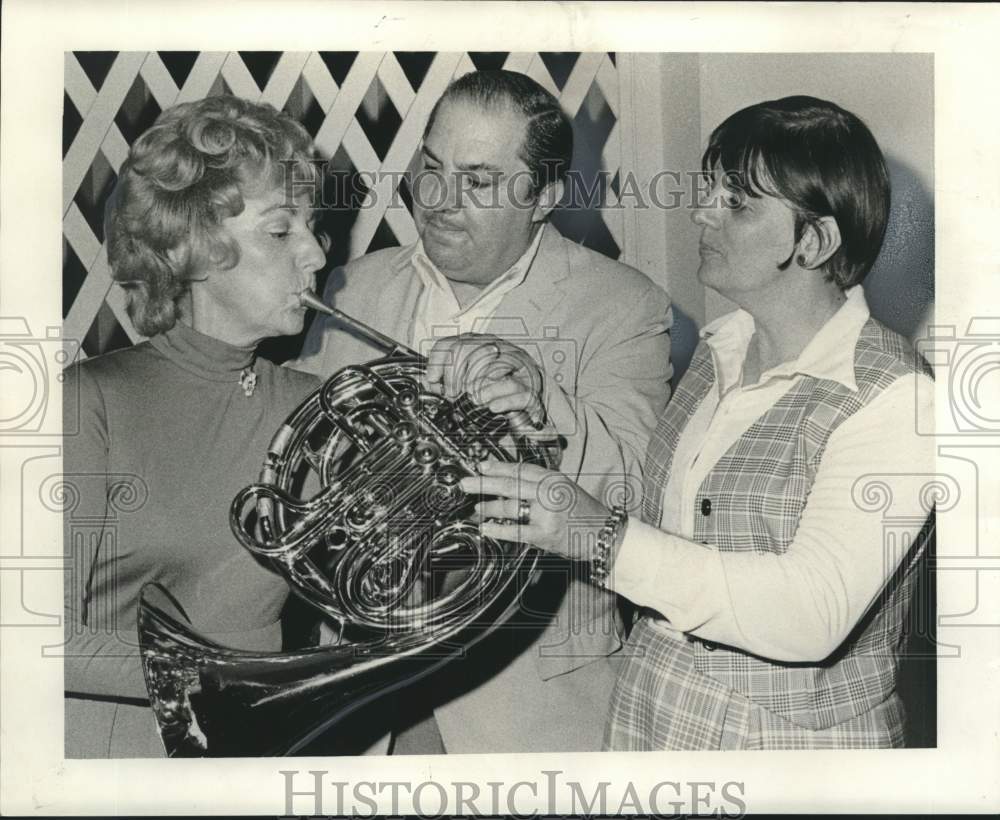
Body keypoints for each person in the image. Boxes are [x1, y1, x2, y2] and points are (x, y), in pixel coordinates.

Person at [468, 95, 935, 750]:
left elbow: (812, 614)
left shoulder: (897, 398)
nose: (700, 211)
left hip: (791, 748)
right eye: (709, 188)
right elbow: (662, 520)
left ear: (817, 240)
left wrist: (599, 537)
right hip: (654, 704)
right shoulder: (723, 349)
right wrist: (542, 409)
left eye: (737, 202)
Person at [293, 69, 673, 753]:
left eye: (478, 182)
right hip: (362, 703)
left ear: (544, 196)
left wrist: (541, 403)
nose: (437, 201)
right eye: (431, 168)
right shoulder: (357, 288)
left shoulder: (623, 304)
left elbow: (641, 496)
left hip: (533, 713)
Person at [62, 95, 327, 757]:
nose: (316, 254)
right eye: (280, 230)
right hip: (113, 767)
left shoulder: (316, 406)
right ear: (196, 247)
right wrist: (232, 674)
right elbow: (34, 638)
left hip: (260, 763)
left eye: (313, 227)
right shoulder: (88, 401)